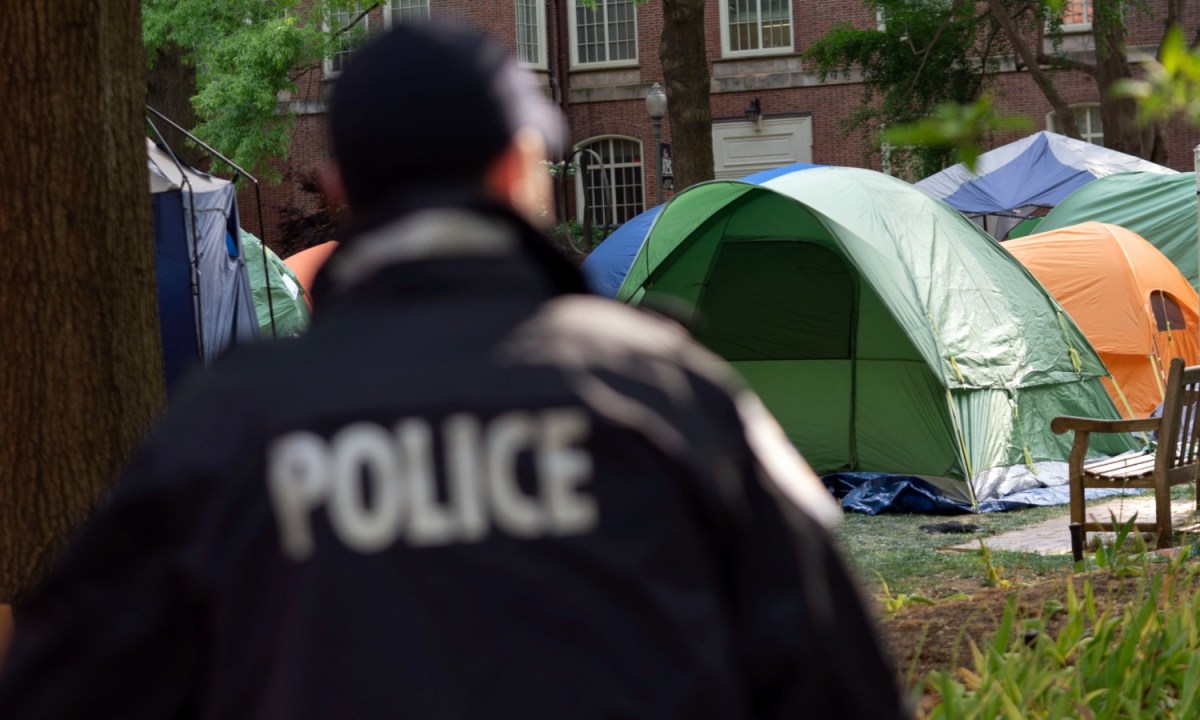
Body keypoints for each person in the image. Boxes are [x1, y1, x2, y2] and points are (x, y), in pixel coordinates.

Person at [0, 22, 908, 720]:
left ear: (344, 182)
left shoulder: (228, 429)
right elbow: (839, 680)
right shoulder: (668, 397)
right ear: (518, 167)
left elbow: (62, 681)